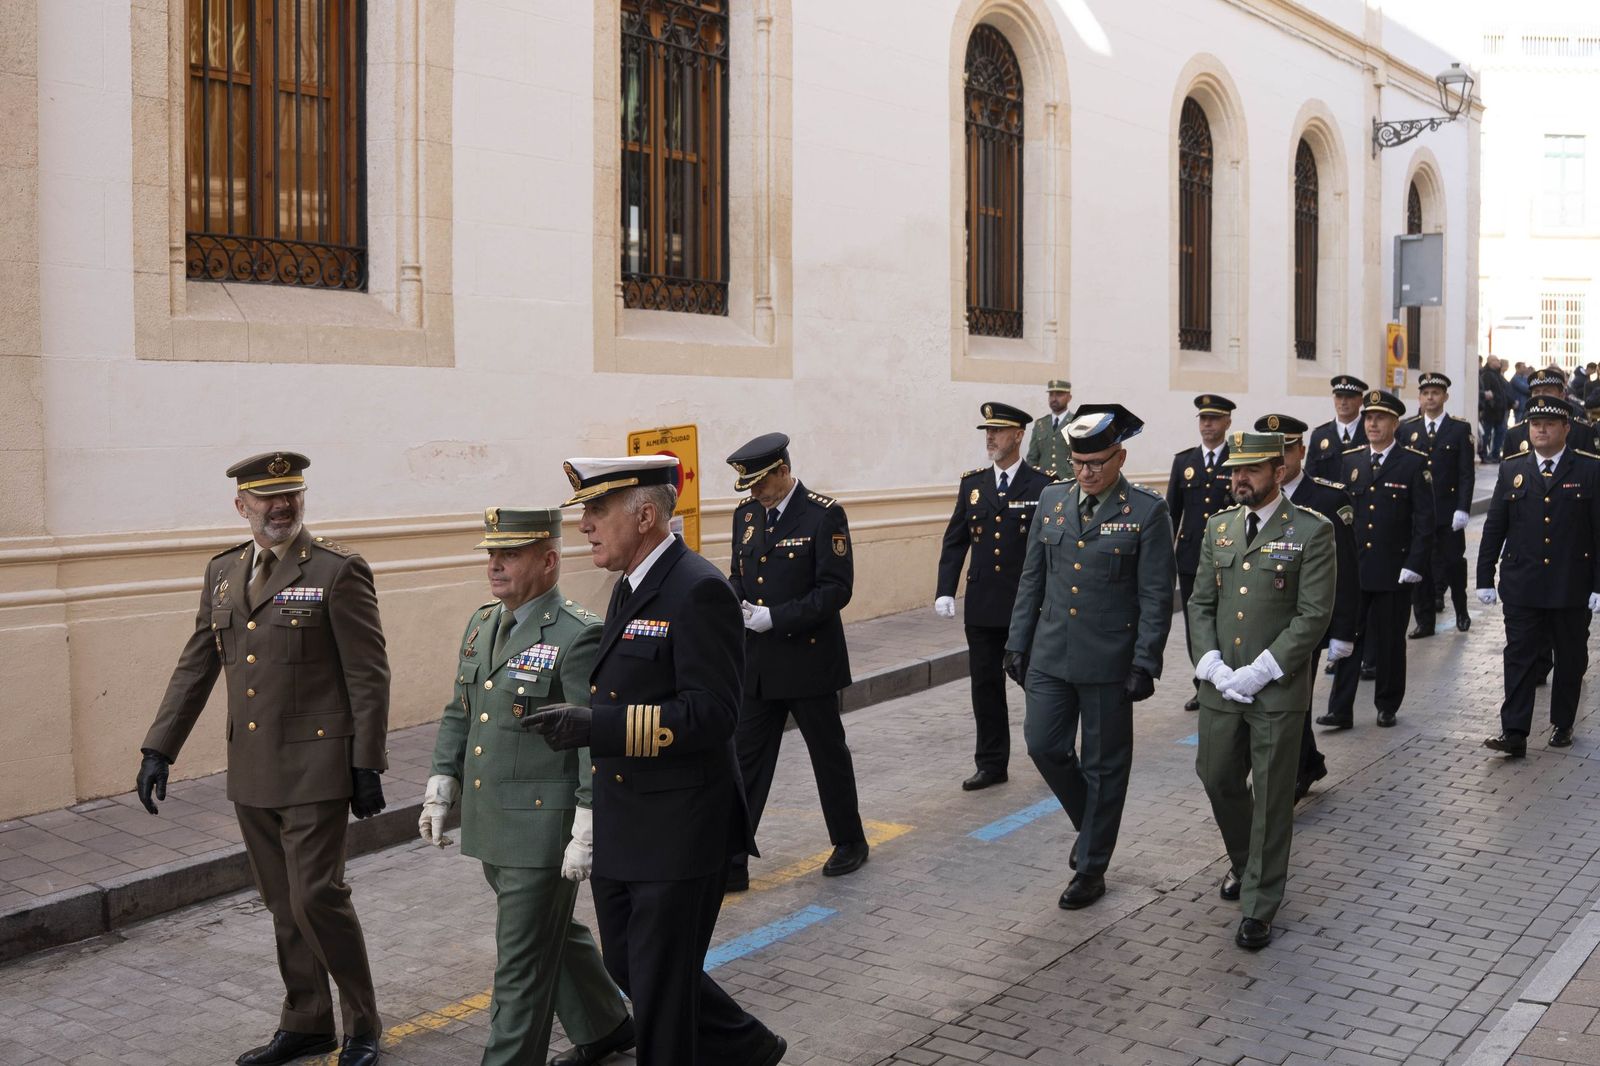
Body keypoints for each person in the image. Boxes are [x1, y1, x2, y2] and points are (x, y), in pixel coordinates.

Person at [526, 456, 786, 1066]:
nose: (584, 524)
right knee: (629, 962)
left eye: (596, 510)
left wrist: (600, 727)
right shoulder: (631, 584)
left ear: (644, 516)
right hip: (629, 817)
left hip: (680, 825)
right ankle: (747, 1045)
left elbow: (713, 714)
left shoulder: (698, 589)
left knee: (661, 996)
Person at [135, 452, 387, 1066]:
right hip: (251, 767)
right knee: (280, 904)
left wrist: (366, 762)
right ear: (241, 504)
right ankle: (306, 1021)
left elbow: (368, 673)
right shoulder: (223, 573)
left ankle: (362, 1023)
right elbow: (198, 663)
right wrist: (158, 746)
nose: (282, 506)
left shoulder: (336, 569)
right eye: (268, 497)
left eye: (291, 494)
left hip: (316, 766)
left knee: (316, 897)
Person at [418, 507, 634, 1066]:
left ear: (549, 560)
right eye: (491, 554)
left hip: (543, 829)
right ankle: (606, 1024)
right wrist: (443, 779)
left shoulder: (577, 634)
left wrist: (588, 821)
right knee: (547, 935)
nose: (494, 566)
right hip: (494, 821)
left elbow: (591, 736)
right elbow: (460, 709)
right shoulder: (484, 622)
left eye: (509, 555)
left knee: (519, 963)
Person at [1004, 404, 1174, 909]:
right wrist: (1017, 642)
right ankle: (1094, 826)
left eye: (1097, 462)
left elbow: (1156, 595)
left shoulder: (1146, 511)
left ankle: (1091, 867)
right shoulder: (1052, 500)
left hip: (1109, 661)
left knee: (1104, 766)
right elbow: (1032, 578)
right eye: (1079, 463)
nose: (1086, 473)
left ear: (1119, 457)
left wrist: (1146, 661)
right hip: (1051, 654)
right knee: (1042, 744)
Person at [1190, 431, 1335, 951]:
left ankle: (1259, 903)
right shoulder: (1219, 528)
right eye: (1234, 471)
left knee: (1273, 798)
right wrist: (1209, 662)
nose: (1239, 479)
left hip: (1275, 689)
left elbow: (1313, 614)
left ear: (1279, 471)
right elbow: (1200, 603)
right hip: (1222, 686)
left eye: (1250, 470)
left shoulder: (1312, 531)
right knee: (1217, 776)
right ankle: (1245, 862)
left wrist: (1263, 669)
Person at [723, 433, 868, 891]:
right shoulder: (746, 516)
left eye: (760, 484)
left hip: (809, 662)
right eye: (748, 486)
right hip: (759, 666)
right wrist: (738, 606)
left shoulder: (824, 515)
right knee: (744, 764)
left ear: (783, 472)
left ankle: (850, 841)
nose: (753, 494)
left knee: (828, 756)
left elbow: (836, 588)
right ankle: (732, 859)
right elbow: (737, 574)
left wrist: (776, 617)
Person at [935, 403, 1055, 790]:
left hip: (1026, 608)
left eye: (998, 431)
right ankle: (991, 763)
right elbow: (956, 541)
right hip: (983, 605)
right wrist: (945, 590)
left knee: (1037, 682)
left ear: (1019, 435)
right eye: (987, 431)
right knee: (985, 687)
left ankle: (1055, 748)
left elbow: (1054, 549)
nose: (990, 437)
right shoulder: (973, 485)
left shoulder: (1043, 485)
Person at [1477, 397, 1600, 756]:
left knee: (1571, 657)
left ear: (1566, 429)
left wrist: (1598, 585)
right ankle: (1514, 731)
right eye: (1534, 424)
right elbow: (1495, 526)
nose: (1540, 429)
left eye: (1548, 423)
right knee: (1518, 656)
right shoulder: (1512, 469)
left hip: (1570, 585)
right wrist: (1485, 576)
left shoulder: (1590, 471)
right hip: (1523, 583)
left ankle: (1562, 723)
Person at [1253, 415, 1356, 801]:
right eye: (1271, 449)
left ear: (1301, 451)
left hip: (1306, 621)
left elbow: (1345, 570)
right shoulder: (1252, 494)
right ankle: (1309, 761)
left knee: (1290, 698)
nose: (1279, 457)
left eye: (1287, 448)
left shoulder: (1329, 499)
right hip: (1261, 617)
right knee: (1276, 696)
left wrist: (1344, 633)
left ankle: (1292, 774)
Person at [1316, 391, 1433, 731]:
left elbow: (1424, 521)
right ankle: (1340, 709)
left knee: (1391, 643)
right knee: (1346, 638)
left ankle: (1387, 704)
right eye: (1368, 418)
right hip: (1355, 569)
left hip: (1394, 571)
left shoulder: (1412, 462)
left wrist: (1414, 564)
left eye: (1380, 418)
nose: (1372, 424)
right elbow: (1340, 514)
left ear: (1395, 423)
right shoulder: (1351, 461)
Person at [1166, 395, 1237, 711]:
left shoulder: (1237, 459)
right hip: (1192, 556)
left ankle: (1229, 679)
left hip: (1230, 555)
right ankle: (1202, 684)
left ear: (1227, 422)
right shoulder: (1184, 461)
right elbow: (1171, 513)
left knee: (1229, 621)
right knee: (1198, 623)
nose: (1207, 424)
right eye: (1203, 418)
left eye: (1214, 418)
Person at [1401, 373, 1474, 637]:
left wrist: (1463, 507)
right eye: (1426, 393)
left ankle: (1461, 610)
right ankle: (1425, 621)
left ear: (1445, 396)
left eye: (1435, 392)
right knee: (1420, 566)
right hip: (1419, 514)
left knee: (1454, 564)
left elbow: (1466, 473)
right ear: (1419, 397)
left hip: (1448, 512)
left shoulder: (1459, 429)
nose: (1430, 397)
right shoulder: (1407, 429)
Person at [1504, 367, 1598, 457]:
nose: (1541, 396)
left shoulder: (1582, 429)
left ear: (1562, 395)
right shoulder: (1516, 433)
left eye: (1547, 391)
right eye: (1536, 392)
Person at [1305, 375, 1368, 484]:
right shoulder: (1319, 435)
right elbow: (1311, 478)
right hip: (1329, 499)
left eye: (1349, 396)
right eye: (1339, 396)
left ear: (1361, 401)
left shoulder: (1372, 432)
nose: (1343, 402)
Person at [1024, 379, 1074, 477]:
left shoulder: (1075, 422)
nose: (1054, 398)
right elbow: (1032, 458)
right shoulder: (1040, 424)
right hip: (1043, 480)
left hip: (1068, 480)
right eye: (1051, 395)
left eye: (1059, 394)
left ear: (1069, 397)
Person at [1480, 357, 1510, 460]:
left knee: (1500, 433)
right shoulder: (1487, 375)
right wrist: (1493, 404)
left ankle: (1495, 455)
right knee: (1486, 434)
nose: (1499, 362)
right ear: (1490, 362)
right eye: (1496, 360)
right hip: (1491, 411)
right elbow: (1487, 393)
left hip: (1499, 411)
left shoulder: (1497, 375)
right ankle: (1484, 454)